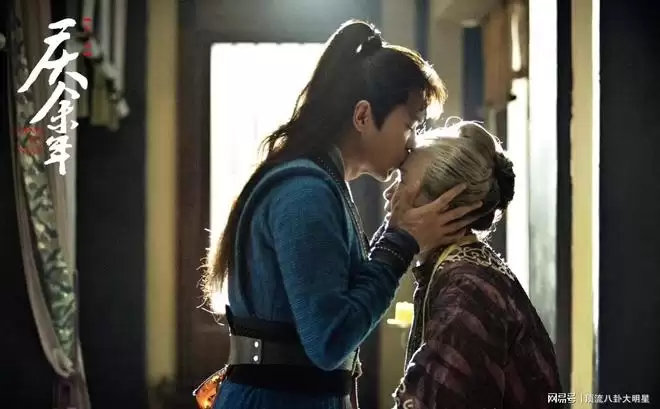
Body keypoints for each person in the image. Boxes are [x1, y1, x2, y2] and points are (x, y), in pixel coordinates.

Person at [200, 20, 482, 409]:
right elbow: (330, 340)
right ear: (363, 116)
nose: (413, 143)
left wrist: (398, 234)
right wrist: (400, 244)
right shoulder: (306, 193)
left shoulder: (322, 183)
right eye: (409, 125)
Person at [390, 121, 562, 409]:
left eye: (402, 179)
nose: (389, 194)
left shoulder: (467, 290)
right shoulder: (463, 269)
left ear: (444, 205)